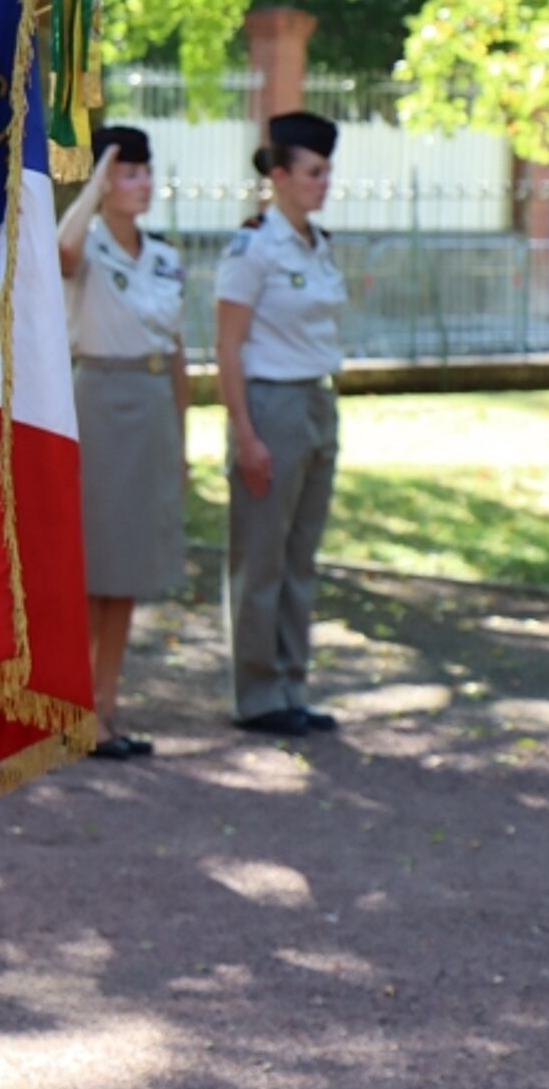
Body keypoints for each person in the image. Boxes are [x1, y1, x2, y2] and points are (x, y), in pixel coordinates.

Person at [214, 110, 347, 737]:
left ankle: (292, 684)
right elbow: (227, 347)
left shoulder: (319, 244)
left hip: (318, 402)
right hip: (270, 406)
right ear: (280, 176)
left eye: (326, 172)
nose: (324, 183)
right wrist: (245, 433)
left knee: (301, 557)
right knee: (261, 556)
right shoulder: (254, 248)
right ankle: (257, 694)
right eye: (313, 172)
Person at [58, 124, 188, 760]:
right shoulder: (88, 245)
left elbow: (178, 350)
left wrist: (182, 440)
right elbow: (61, 249)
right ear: (105, 181)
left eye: (145, 171)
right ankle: (77, 708)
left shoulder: (164, 256)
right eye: (128, 173)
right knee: (95, 566)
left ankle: (106, 705)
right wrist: (96, 172)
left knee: (127, 570)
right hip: (101, 401)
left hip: (152, 400)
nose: (143, 184)